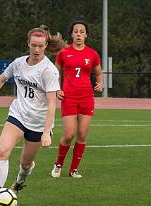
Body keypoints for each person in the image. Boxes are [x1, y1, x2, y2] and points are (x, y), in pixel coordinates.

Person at [0, 25, 65, 206]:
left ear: (45, 46)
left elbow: (52, 104)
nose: (36, 50)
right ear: (28, 44)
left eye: (40, 46)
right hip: (18, 115)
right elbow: (2, 78)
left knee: (25, 164)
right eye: (33, 45)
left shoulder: (49, 71)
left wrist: (46, 133)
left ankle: (18, 183)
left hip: (38, 122)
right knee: (3, 151)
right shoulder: (18, 63)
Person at [51, 21, 103, 178]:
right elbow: (55, 73)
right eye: (76, 31)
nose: (79, 34)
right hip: (69, 97)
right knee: (68, 135)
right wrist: (57, 89)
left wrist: (100, 83)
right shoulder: (63, 53)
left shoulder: (92, 54)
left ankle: (73, 169)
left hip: (87, 97)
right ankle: (58, 164)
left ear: (86, 35)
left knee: (81, 134)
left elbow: (99, 73)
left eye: (82, 31)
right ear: (72, 34)